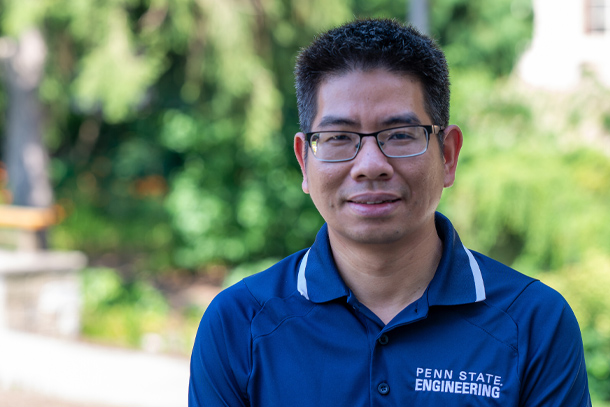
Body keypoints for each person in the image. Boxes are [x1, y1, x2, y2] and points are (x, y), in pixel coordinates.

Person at [189, 18, 591, 406]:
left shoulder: (535, 323)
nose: (370, 165)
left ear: (448, 155)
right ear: (303, 162)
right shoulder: (239, 324)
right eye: (338, 137)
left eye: (400, 135)